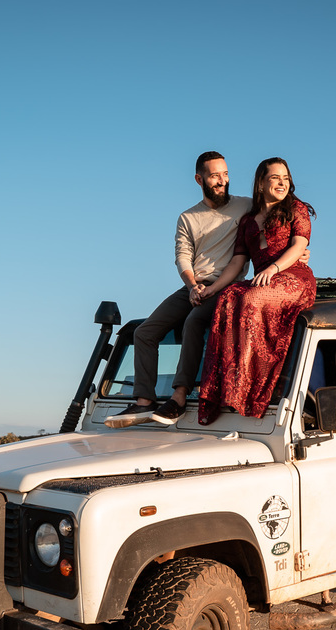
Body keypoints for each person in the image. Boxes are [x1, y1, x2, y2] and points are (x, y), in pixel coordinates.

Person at [105, 151, 251, 428]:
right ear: (199, 179)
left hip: (227, 286)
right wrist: (193, 285)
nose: (222, 181)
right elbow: (183, 255)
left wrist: (301, 250)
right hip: (194, 285)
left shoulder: (246, 206)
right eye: (214, 175)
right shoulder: (188, 217)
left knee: (194, 321)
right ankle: (144, 401)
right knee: (144, 332)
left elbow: (275, 222)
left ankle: (179, 397)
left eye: (225, 174)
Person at [197, 157, 317, 425]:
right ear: (261, 183)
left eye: (285, 178)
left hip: (294, 278)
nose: (282, 183)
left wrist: (273, 269)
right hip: (266, 279)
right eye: (275, 178)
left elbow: (299, 246)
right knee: (228, 297)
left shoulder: (297, 209)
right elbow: (238, 262)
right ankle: (223, 387)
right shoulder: (248, 221)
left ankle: (248, 387)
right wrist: (212, 289)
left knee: (250, 297)